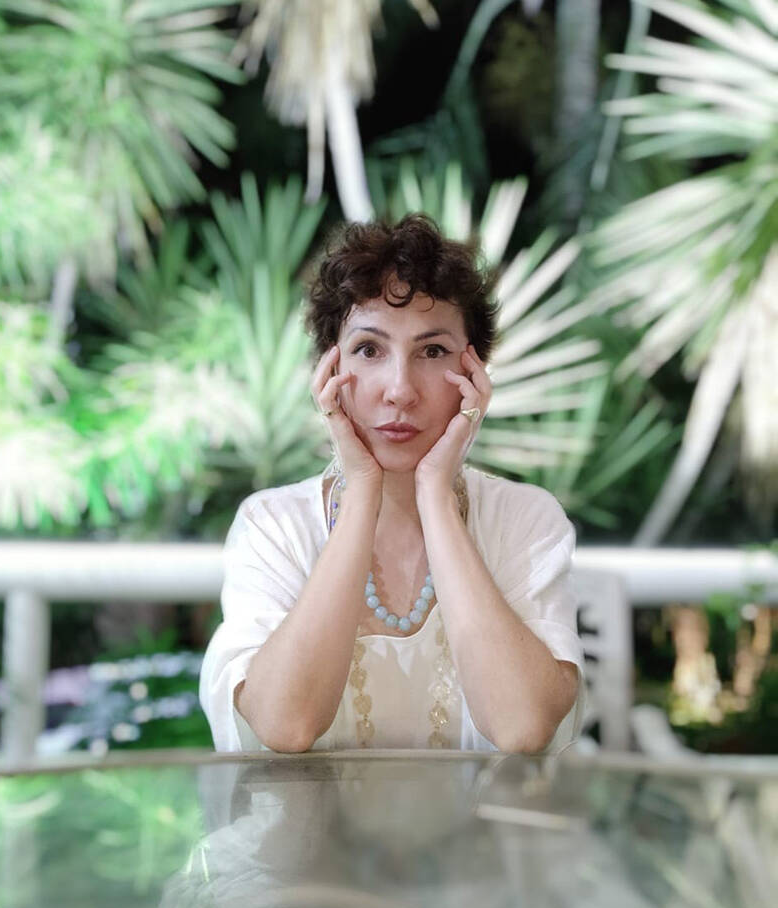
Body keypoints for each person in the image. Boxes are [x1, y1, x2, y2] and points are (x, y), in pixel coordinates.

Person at [199, 213, 585, 754]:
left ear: (474, 372)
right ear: (329, 369)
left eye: (432, 352)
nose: (400, 390)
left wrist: (435, 496)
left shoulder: (526, 520)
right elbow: (285, 726)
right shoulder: (273, 526)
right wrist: (362, 491)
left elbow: (521, 727)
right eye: (369, 350)